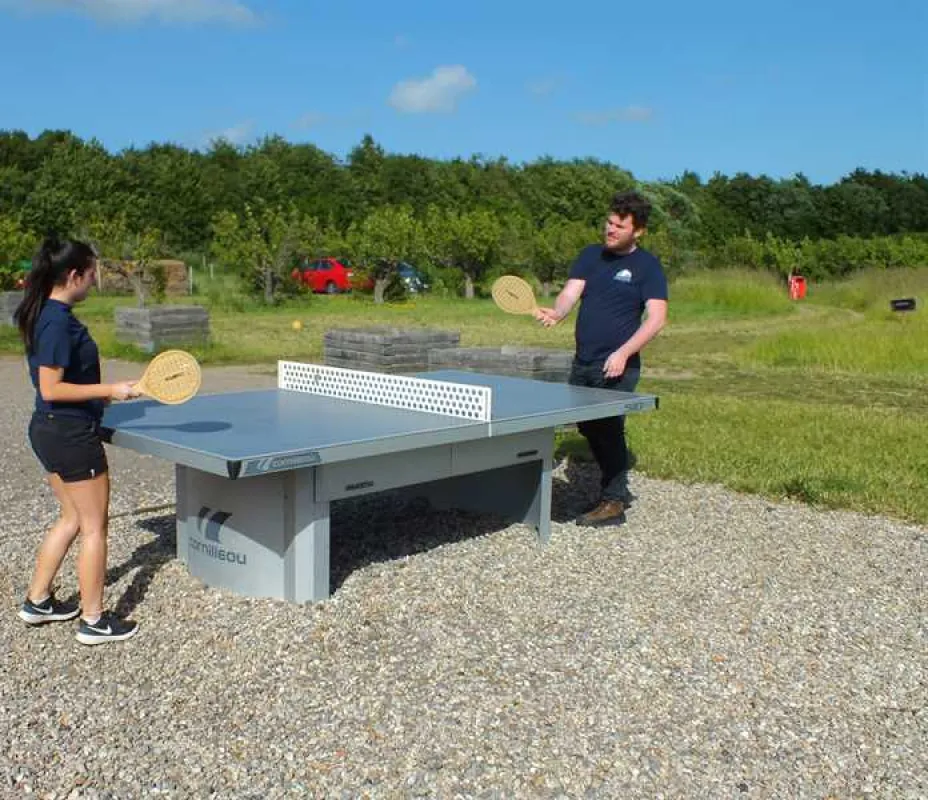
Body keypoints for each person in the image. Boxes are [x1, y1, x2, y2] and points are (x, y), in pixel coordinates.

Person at [14, 235, 141, 645]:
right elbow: (52, 387)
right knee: (94, 527)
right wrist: (109, 390)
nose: (94, 280)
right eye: (92, 273)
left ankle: (38, 602)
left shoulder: (49, 314)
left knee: (70, 518)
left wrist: (109, 392)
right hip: (69, 434)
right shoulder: (55, 321)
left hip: (50, 431)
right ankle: (93, 620)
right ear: (74, 275)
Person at [535, 190, 668, 527]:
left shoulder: (647, 267)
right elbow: (570, 292)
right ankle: (609, 487)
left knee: (608, 429)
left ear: (638, 231)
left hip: (617, 366)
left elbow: (656, 319)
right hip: (584, 361)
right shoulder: (590, 256)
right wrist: (559, 312)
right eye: (608, 223)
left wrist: (624, 353)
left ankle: (615, 501)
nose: (610, 230)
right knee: (587, 425)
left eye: (619, 226)